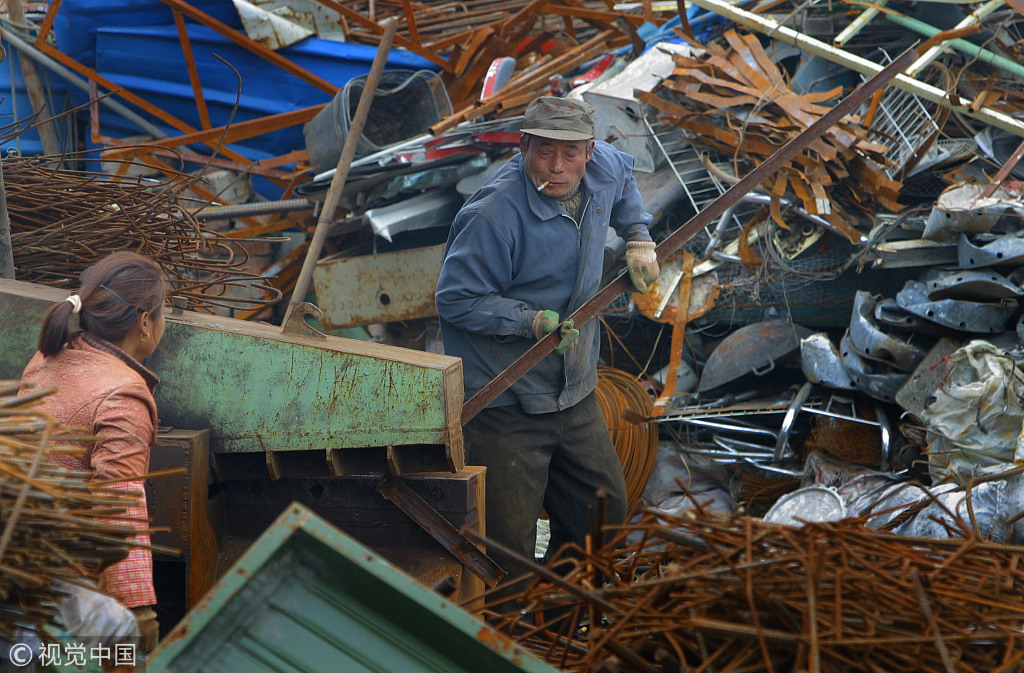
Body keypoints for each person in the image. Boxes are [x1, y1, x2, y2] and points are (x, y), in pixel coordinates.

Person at [435, 96, 660, 584]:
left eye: (570, 154)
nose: (557, 168)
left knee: (602, 516)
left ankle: (563, 617)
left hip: (572, 391)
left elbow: (622, 179)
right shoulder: (494, 214)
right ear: (523, 147)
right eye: (543, 152)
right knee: (506, 551)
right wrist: (528, 321)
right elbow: (455, 299)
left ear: (589, 150)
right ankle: (515, 637)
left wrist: (638, 233)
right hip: (505, 402)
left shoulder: (600, 167)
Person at [20, 251, 168, 654]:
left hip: (19, 559)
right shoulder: (125, 392)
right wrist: (138, 613)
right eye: (162, 313)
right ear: (144, 323)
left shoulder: (45, 358)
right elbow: (118, 504)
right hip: (60, 578)